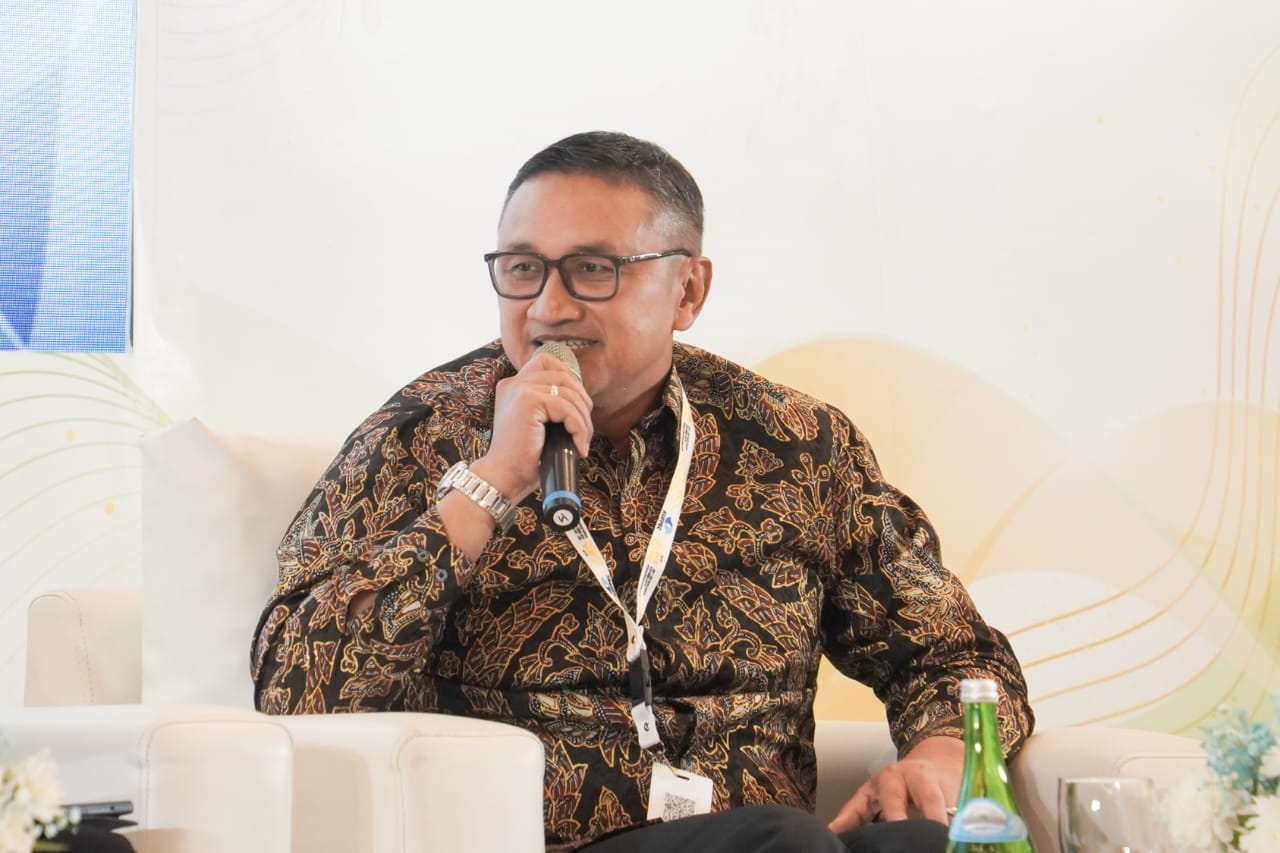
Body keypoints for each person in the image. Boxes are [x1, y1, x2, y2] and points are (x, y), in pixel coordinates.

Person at [251, 131, 1034, 853]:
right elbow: (295, 692)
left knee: (926, 844)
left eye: (593, 269)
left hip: (770, 839)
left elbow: (956, 653)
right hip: (542, 841)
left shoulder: (798, 444)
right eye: (522, 269)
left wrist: (942, 755)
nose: (548, 307)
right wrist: (490, 484)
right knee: (783, 842)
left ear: (688, 289)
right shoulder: (418, 439)